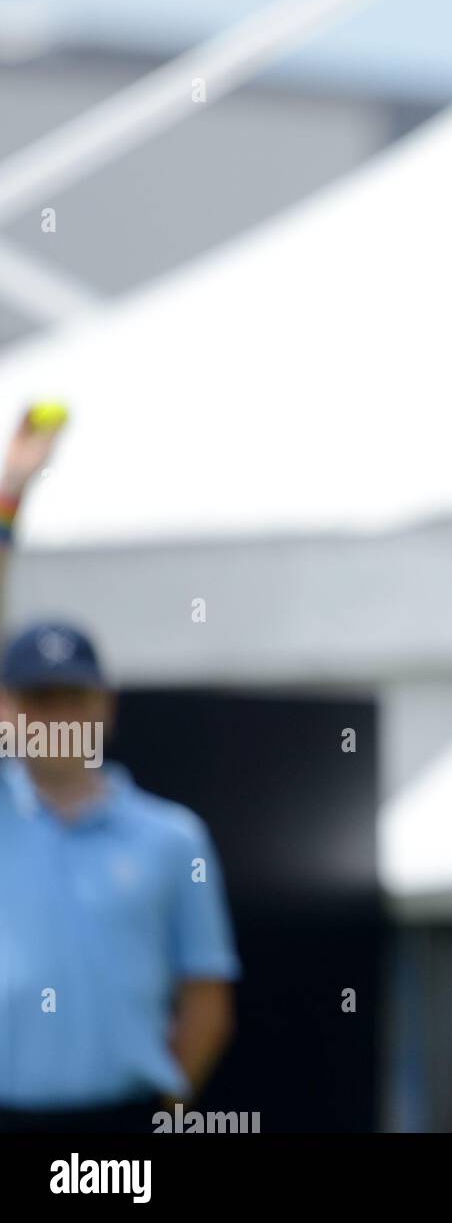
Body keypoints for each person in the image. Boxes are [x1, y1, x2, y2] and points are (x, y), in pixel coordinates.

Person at [0, 408, 241, 1132]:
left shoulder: (171, 838)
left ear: (103, 704)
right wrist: (9, 501)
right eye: (37, 701)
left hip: (124, 1123)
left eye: (70, 696)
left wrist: (164, 1110)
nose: (54, 717)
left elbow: (206, 998)